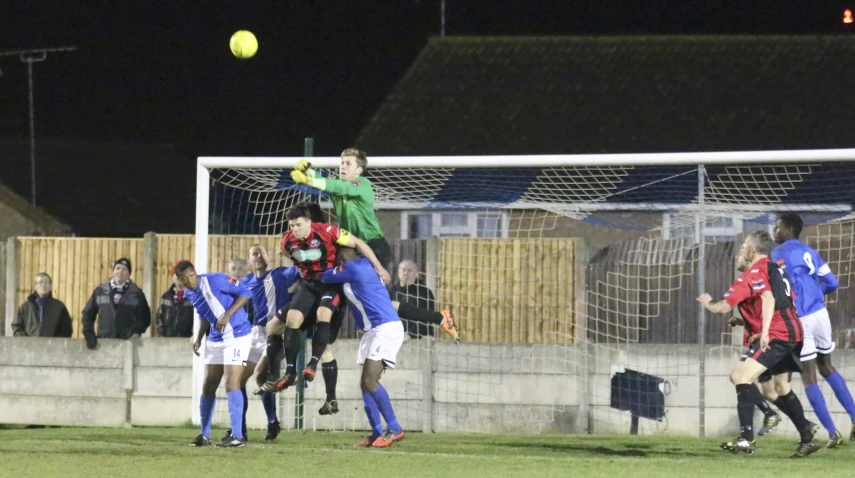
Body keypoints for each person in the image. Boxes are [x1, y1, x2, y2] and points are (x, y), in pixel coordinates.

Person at [698, 230, 819, 458]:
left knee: (740, 377)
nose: (739, 253)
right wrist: (747, 322)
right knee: (775, 390)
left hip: (777, 333)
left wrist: (708, 303)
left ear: (752, 250)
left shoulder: (753, 273)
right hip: (791, 331)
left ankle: (746, 438)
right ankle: (806, 433)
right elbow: (782, 299)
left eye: (743, 247)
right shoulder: (775, 269)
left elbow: (760, 300)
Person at [259, 203, 390, 394]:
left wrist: (379, 268)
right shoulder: (287, 240)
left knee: (323, 314)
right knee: (292, 319)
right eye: (292, 226)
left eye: (299, 225)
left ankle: (313, 365)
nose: (295, 229)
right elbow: (291, 255)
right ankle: (289, 372)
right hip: (308, 285)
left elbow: (359, 243)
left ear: (309, 222)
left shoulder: (328, 231)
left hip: (330, 283)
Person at [772, 212, 855, 446]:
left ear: (788, 230)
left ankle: (832, 433)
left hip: (802, 318)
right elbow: (833, 282)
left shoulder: (778, 253)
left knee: (809, 377)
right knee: (827, 366)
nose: (774, 231)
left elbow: (782, 285)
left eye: (777, 227)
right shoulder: (810, 251)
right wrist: (815, 294)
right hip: (820, 313)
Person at [322, 247, 405, 447]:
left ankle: (395, 427)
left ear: (341, 259)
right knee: (364, 384)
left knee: (370, 380)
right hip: (373, 330)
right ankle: (376, 432)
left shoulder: (353, 268)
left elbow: (324, 277)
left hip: (385, 327)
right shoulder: (362, 265)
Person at [177, 260, 252, 448]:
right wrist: (199, 337)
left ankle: (237, 436)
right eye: (184, 279)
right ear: (180, 280)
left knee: (231, 382)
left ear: (195, 272)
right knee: (208, 385)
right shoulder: (189, 292)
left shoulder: (215, 279)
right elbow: (204, 314)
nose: (189, 281)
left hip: (237, 333)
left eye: (190, 276)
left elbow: (246, 292)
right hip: (216, 338)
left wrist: (228, 314)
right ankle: (204, 435)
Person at [290, 148, 392, 269]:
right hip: (352, 244)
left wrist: (308, 180)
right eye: (342, 163)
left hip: (374, 245)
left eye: (348, 164)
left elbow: (341, 187)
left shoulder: (363, 184)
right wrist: (308, 171)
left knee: (369, 285)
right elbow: (326, 182)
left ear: (358, 170)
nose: (343, 166)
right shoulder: (336, 184)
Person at [243, 245, 300, 438]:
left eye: (262, 253)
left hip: (277, 333)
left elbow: (301, 271)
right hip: (255, 333)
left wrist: (293, 255)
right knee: (237, 381)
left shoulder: (280, 274)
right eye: (254, 254)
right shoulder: (247, 282)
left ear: (269, 257)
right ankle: (240, 428)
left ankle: (272, 419)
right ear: (249, 260)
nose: (259, 256)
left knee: (260, 374)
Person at [82, 258, 150, 349]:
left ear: (129, 274)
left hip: (126, 345)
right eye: (117, 268)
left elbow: (145, 318)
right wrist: (89, 333)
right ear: (113, 271)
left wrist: (135, 332)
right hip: (103, 344)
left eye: (124, 269)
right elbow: (87, 314)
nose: (120, 271)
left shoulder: (136, 293)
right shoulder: (100, 291)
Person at [12, 272, 72, 337]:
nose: (43, 285)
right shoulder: (25, 307)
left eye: (47, 282)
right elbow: (16, 326)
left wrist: (55, 342)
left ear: (51, 286)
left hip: (52, 346)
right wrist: (26, 340)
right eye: (41, 282)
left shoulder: (59, 307)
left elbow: (66, 329)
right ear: (35, 286)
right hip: (29, 346)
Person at [156, 272, 195, 338]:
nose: (179, 277)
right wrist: (162, 337)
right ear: (173, 277)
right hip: (167, 342)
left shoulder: (194, 298)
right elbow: (159, 318)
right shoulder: (166, 297)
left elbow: (198, 321)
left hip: (187, 343)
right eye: (176, 274)